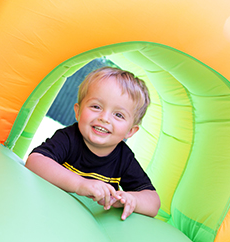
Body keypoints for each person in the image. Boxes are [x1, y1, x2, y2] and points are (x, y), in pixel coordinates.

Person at [25, 66, 160, 220]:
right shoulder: (69, 138)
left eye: (118, 115)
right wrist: (80, 184)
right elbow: (35, 161)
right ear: (78, 111)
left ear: (130, 131)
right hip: (50, 210)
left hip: (90, 223)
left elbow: (153, 201)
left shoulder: (124, 158)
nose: (104, 118)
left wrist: (132, 200)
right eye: (96, 107)